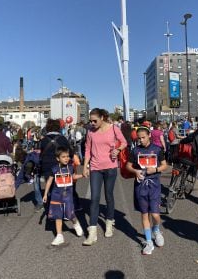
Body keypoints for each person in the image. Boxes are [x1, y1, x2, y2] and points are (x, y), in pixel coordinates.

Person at [82, 108, 127, 246]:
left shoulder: (113, 128)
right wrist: (85, 166)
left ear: (102, 118)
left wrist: (118, 149)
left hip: (110, 167)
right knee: (94, 198)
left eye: (95, 120)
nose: (92, 123)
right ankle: (92, 233)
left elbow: (124, 142)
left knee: (108, 195)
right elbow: (87, 149)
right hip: (95, 167)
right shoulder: (90, 131)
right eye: (91, 121)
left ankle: (109, 222)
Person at [125, 126, 168, 255]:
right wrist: (136, 171)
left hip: (154, 185)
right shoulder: (135, 151)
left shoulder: (157, 149)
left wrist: (155, 169)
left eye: (143, 137)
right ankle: (149, 241)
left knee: (155, 214)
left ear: (149, 135)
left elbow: (165, 165)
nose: (141, 140)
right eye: (139, 138)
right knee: (144, 214)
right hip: (140, 185)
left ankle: (156, 229)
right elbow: (128, 166)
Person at [43, 147, 83, 245]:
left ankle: (75, 223)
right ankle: (59, 235)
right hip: (56, 195)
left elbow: (73, 177)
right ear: (58, 158)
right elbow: (49, 181)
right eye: (63, 157)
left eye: (67, 156)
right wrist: (45, 194)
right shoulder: (54, 169)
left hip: (68, 195)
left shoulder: (70, 167)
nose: (66, 158)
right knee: (57, 215)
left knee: (69, 213)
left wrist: (82, 175)